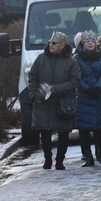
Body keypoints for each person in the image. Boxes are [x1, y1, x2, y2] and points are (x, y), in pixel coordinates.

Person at [27, 31, 81, 170]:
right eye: (50, 42)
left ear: (62, 45)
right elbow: (32, 77)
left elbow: (75, 81)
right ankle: (47, 159)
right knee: (44, 131)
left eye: (54, 43)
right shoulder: (41, 59)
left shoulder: (71, 61)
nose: (51, 45)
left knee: (63, 132)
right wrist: (34, 93)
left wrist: (56, 89)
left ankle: (60, 160)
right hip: (42, 101)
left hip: (62, 102)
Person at [74, 30, 101, 167]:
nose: (90, 43)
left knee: (99, 127)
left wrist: (98, 86)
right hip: (84, 96)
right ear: (83, 43)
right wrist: (87, 88)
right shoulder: (76, 58)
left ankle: (100, 152)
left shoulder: (100, 57)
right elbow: (77, 76)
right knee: (84, 128)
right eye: (87, 41)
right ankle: (87, 156)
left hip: (98, 94)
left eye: (92, 41)